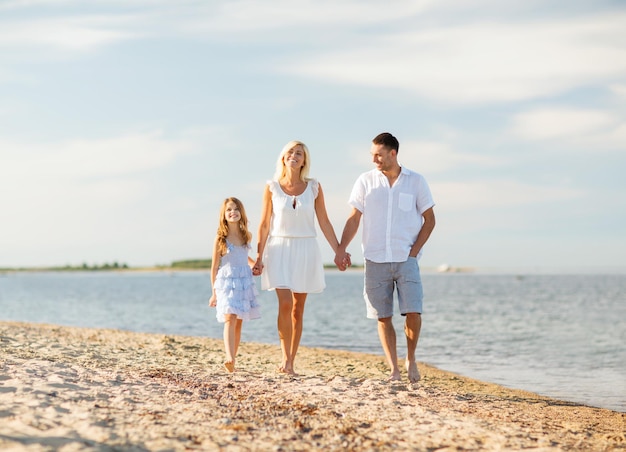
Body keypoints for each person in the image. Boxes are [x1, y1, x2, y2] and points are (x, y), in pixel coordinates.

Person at [334, 132, 435, 383]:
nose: (374, 159)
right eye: (372, 155)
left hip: (406, 259)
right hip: (375, 258)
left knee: (413, 311)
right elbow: (354, 218)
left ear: (393, 153)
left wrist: (413, 253)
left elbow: (430, 221)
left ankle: (411, 359)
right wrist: (340, 248)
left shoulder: (416, 181)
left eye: (378, 154)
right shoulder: (365, 181)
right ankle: (394, 369)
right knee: (383, 316)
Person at [253, 140, 341, 376]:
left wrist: (338, 250)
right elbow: (263, 224)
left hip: (305, 248)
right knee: (284, 304)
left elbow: (324, 221)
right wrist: (258, 256)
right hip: (279, 247)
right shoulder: (271, 187)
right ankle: (284, 356)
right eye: (290, 152)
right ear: (283, 158)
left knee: (297, 309)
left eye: (299, 153)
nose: (294, 156)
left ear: (304, 160)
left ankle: (291, 360)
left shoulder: (314, 187)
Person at [209, 197, 261, 373]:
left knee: (238, 321)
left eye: (236, 208)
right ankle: (229, 357)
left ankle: (233, 360)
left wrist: (254, 264)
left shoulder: (246, 235)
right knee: (229, 317)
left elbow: (243, 255)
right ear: (224, 215)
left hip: (243, 281)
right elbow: (214, 267)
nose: (233, 212)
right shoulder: (221, 238)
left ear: (241, 212)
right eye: (229, 210)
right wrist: (214, 293)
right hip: (226, 282)